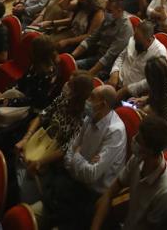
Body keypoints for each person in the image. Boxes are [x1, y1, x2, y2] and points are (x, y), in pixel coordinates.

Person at [40, 85, 127, 230]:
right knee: (50, 191)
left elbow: (91, 175)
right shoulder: (89, 117)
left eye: (91, 97)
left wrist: (77, 155)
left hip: (92, 194)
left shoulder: (115, 132)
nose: (86, 100)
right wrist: (78, 159)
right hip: (74, 179)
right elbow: (70, 150)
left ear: (103, 104)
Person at [16, 71, 94, 204]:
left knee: (26, 191)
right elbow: (42, 115)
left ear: (78, 93)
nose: (66, 86)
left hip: (54, 161)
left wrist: (40, 162)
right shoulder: (63, 99)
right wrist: (26, 138)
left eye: (70, 85)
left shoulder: (84, 118)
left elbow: (65, 149)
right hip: (42, 142)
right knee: (18, 157)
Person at [90, 115, 167, 230]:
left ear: (149, 151)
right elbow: (109, 193)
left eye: (139, 139)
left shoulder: (166, 191)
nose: (134, 139)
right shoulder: (138, 158)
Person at [128, 56, 167, 145]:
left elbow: (166, 125)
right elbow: (157, 94)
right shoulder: (164, 79)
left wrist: (143, 115)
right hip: (161, 111)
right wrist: (144, 100)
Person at [72, 0, 132, 78]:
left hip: (108, 66)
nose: (106, 13)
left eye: (109, 11)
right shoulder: (110, 18)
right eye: (105, 10)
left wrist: (89, 74)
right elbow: (92, 38)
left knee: (79, 78)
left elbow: (110, 55)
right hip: (98, 57)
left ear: (119, 10)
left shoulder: (125, 28)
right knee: (72, 66)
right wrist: (72, 56)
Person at [109, 20, 167, 100]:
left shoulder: (160, 52)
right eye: (135, 37)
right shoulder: (134, 39)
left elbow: (152, 81)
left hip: (133, 95)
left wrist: (127, 89)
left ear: (149, 40)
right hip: (116, 82)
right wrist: (114, 72)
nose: (135, 42)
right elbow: (121, 57)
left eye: (138, 40)